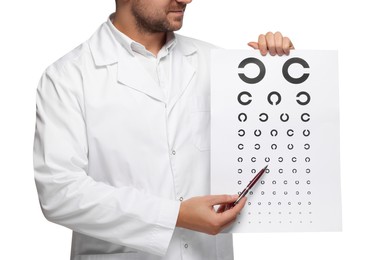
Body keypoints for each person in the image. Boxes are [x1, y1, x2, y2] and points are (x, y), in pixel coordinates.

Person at [33, 0, 294, 259]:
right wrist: (175, 216)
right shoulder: (67, 77)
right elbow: (59, 193)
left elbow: (268, 147)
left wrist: (276, 74)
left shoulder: (220, 65)